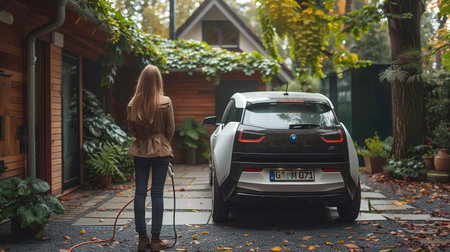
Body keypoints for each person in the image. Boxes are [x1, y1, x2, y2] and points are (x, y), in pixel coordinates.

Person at [126, 65, 175, 252]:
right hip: (161, 151)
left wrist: (144, 139)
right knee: (157, 193)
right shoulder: (166, 101)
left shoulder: (132, 104)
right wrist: (162, 143)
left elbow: (131, 131)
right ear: (158, 81)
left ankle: (142, 239)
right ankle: (155, 240)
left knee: (139, 193)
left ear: (141, 81)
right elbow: (170, 129)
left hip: (139, 151)